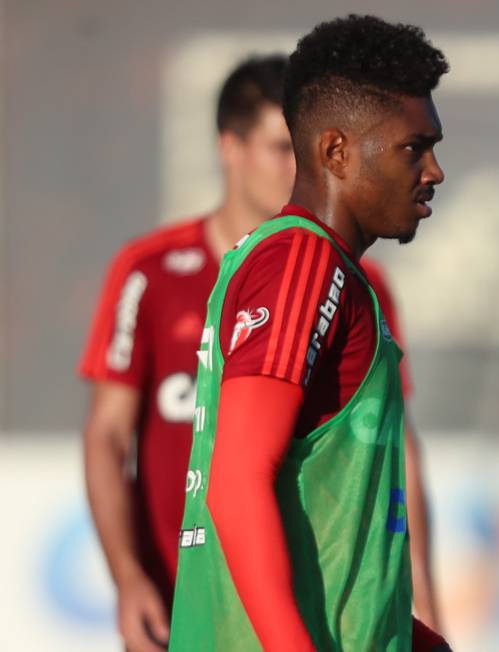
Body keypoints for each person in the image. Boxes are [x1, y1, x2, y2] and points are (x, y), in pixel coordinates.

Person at [79, 54, 440, 652]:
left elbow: (375, 468)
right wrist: (127, 578)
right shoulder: (294, 263)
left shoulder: (343, 276)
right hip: (227, 612)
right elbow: (223, 477)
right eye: (414, 147)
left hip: (284, 615)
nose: (434, 171)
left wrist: (413, 626)